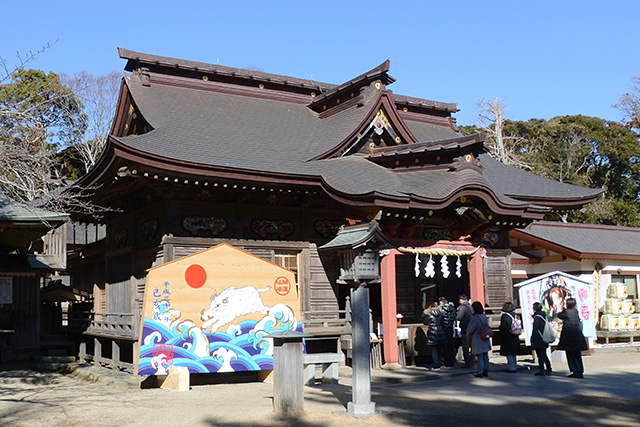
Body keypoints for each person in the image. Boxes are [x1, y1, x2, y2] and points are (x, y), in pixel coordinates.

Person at [557, 297, 588, 378]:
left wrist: (561, 309)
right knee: (577, 355)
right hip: (577, 337)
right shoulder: (575, 311)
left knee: (571, 355)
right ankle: (580, 371)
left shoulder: (567, 312)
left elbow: (559, 315)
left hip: (569, 338)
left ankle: (575, 371)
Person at [466, 301, 492, 377]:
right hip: (485, 336)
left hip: (477, 337)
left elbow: (471, 328)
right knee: (485, 354)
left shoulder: (475, 318)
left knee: (480, 355)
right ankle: (486, 369)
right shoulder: (484, 316)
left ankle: (480, 371)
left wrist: (468, 334)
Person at [531, 302, 553, 376]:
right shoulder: (543, 316)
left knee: (540, 355)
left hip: (539, 339)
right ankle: (549, 369)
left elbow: (535, 330)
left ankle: (542, 370)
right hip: (544, 337)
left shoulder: (537, 317)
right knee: (544, 355)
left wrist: (532, 339)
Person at [423, 302, 446, 371]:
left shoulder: (429, 314)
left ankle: (436, 365)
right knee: (440, 349)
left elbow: (425, 322)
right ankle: (440, 363)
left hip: (432, 332)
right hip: (440, 331)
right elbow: (444, 322)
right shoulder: (441, 314)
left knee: (434, 350)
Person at [499, 302, 521, 373]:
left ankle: (511, 368)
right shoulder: (515, 315)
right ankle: (514, 366)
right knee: (513, 353)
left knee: (509, 353)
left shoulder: (504, 316)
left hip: (507, 337)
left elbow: (503, 327)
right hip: (515, 335)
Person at [456, 294, 473, 369]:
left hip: (465, 328)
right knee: (472, 346)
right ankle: (472, 360)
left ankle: (468, 362)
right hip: (472, 328)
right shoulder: (470, 306)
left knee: (465, 346)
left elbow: (459, 317)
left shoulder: (463, 307)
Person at [438, 297, 456, 369]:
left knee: (445, 347)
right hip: (450, 328)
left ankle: (446, 363)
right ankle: (451, 362)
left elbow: (442, 320)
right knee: (450, 346)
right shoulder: (452, 309)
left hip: (444, 329)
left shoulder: (442, 310)